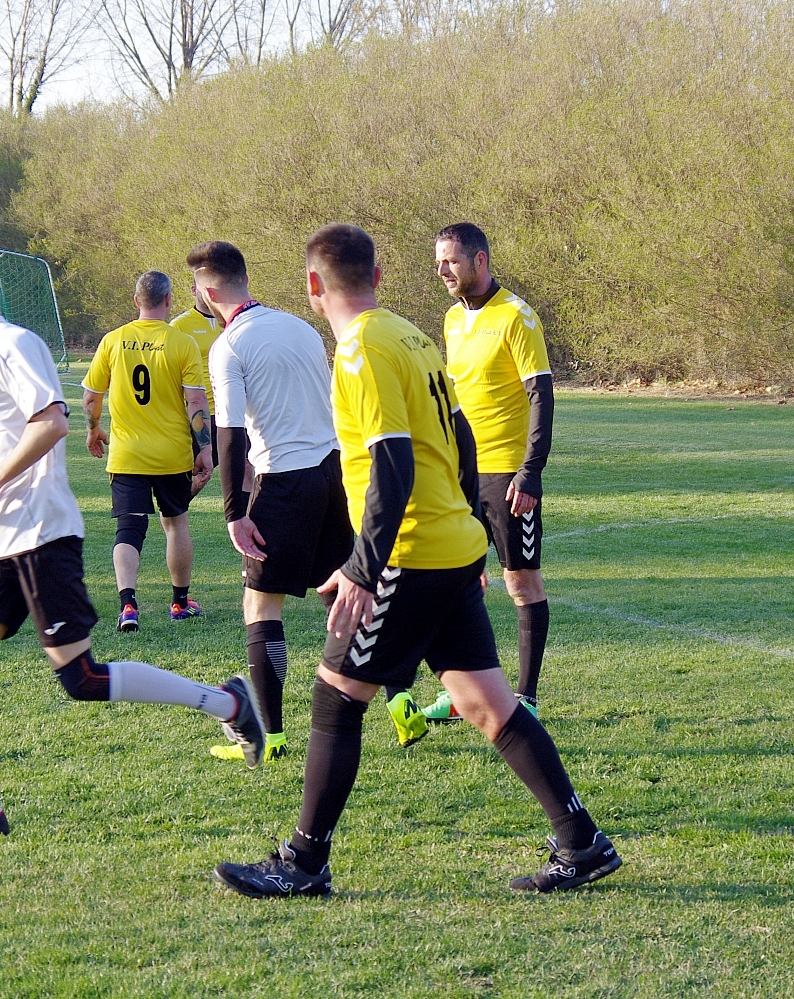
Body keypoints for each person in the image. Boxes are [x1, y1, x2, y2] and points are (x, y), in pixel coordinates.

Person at [213, 224, 620, 896]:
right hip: (447, 546)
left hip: (408, 556)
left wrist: (363, 568)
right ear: (376, 276)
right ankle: (582, 841)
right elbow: (461, 436)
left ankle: (303, 863)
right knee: (487, 703)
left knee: (336, 698)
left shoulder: (359, 349)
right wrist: (464, 523)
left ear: (313, 285)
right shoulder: (411, 334)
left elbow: (392, 466)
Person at [0, 239, 264, 843]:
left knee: (82, 680)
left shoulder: (11, 343)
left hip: (42, 535)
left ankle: (228, 703)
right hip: (0, 539)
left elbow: (54, 420)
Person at [186, 241, 354, 766]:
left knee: (260, 606)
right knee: (342, 593)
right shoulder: (302, 327)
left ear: (208, 292)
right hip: (333, 473)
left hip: (284, 481)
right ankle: (400, 702)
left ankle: (272, 736)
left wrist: (235, 512)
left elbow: (230, 432)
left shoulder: (229, 346)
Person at [420, 222, 554, 723]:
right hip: (461, 474)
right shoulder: (453, 319)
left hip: (507, 474)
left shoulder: (516, 316)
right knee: (458, 584)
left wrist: (530, 471)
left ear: (480, 260)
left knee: (521, 583)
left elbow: (541, 396)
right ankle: (466, 694)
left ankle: (526, 699)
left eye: (451, 260)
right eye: (438, 261)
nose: (442, 270)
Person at [82, 271, 213, 631]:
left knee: (129, 527)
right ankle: (180, 603)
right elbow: (196, 402)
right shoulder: (182, 342)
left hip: (127, 454)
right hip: (172, 454)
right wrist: (205, 448)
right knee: (176, 523)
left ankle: (128, 606)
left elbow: (91, 397)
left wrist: (94, 429)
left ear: (136, 300)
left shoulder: (113, 340)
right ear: (169, 300)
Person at [168, 280, 227, 487]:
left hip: (230, 412)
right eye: (204, 288)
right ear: (194, 290)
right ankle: (177, 506)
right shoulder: (180, 326)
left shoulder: (231, 321)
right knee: (192, 478)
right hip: (199, 413)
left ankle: (242, 509)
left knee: (245, 468)